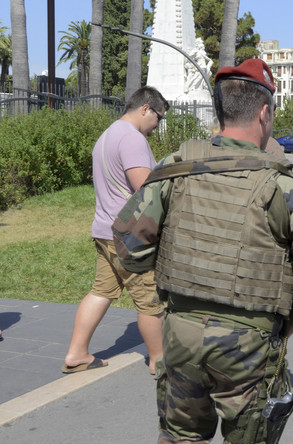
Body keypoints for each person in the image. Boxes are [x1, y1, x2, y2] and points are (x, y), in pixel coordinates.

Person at [111, 58, 293, 443]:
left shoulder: (174, 170)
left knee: (179, 437)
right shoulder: (287, 190)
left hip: (180, 334)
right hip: (250, 346)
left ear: (219, 110)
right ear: (265, 113)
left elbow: (129, 249)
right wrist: (282, 332)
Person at [62, 86, 169, 375]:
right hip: (130, 236)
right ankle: (159, 361)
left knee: (102, 291)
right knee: (150, 299)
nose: (157, 126)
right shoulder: (132, 138)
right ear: (146, 108)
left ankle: (76, 353)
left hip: (104, 229)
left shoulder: (108, 134)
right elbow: (145, 189)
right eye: (158, 118)